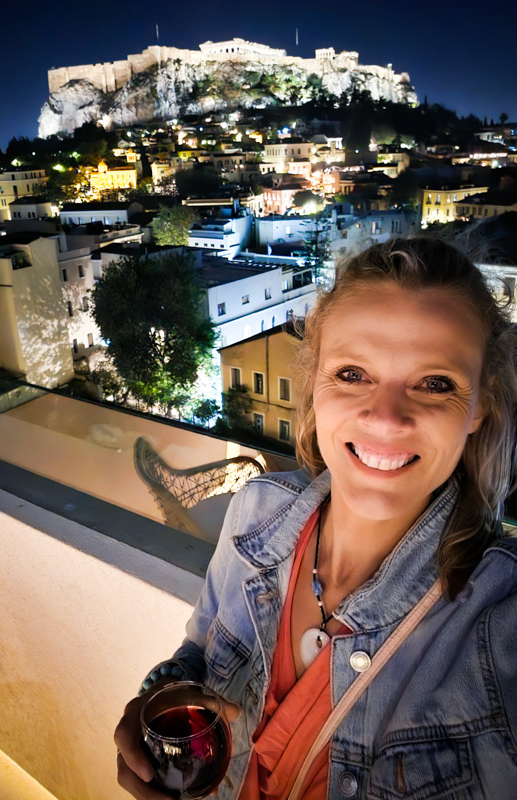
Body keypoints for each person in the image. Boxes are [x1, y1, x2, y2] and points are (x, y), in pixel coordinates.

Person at [115, 236, 517, 799]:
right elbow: (199, 656)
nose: (386, 418)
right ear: (315, 385)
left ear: (482, 407)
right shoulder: (255, 512)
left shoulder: (499, 621)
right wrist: (161, 696)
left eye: (435, 383)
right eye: (353, 374)